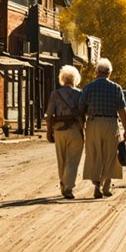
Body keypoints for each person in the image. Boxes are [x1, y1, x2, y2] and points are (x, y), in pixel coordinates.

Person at [78, 58, 126, 198]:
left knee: (94, 154)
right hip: (111, 123)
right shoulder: (116, 88)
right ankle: (106, 187)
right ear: (109, 73)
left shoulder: (88, 88)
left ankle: (96, 185)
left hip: (93, 123)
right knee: (110, 155)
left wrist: (81, 126)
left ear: (96, 72)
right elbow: (122, 111)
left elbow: (81, 109)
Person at [45, 65, 85, 199]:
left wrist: (49, 131)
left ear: (62, 79)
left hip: (59, 129)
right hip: (75, 130)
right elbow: (84, 112)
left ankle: (63, 183)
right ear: (75, 79)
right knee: (73, 159)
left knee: (61, 159)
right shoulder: (80, 94)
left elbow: (49, 115)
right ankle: (68, 187)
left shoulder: (55, 94)